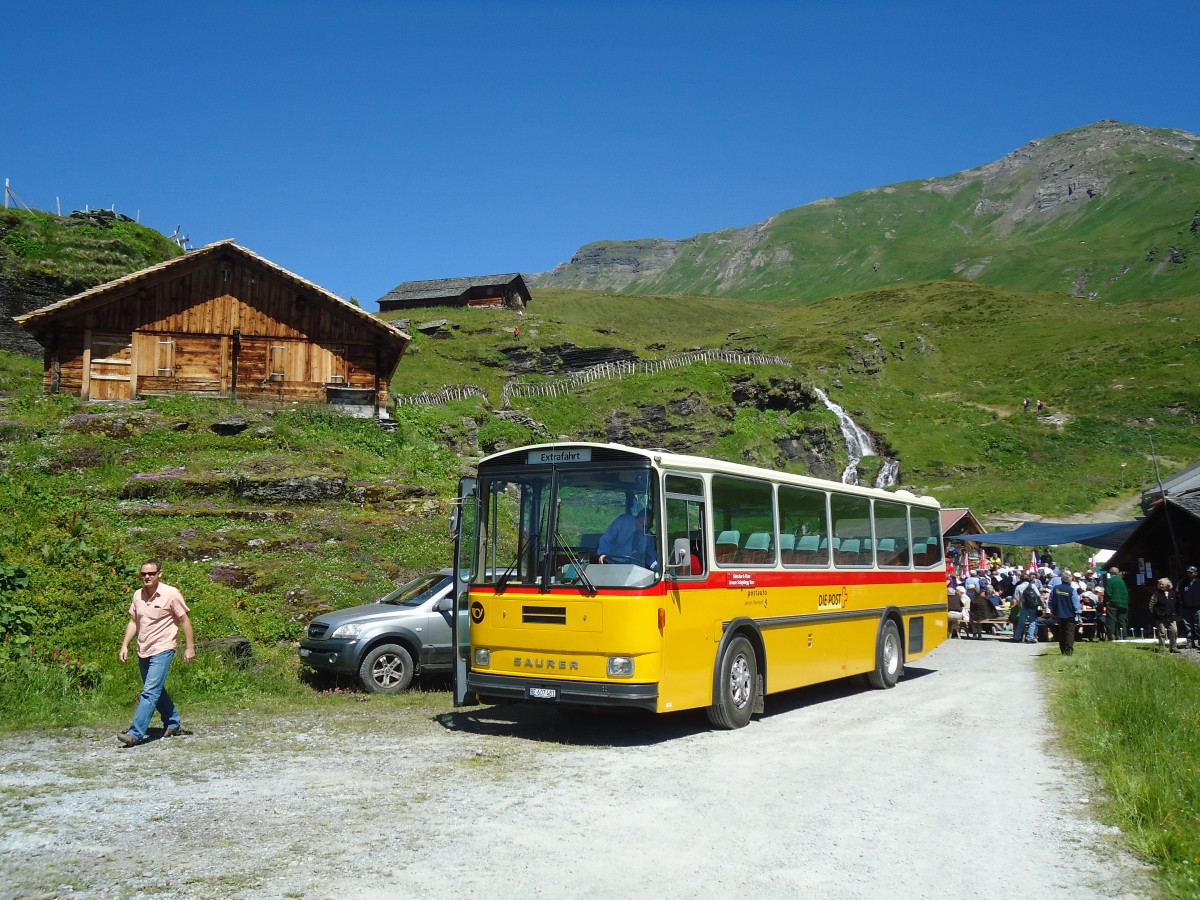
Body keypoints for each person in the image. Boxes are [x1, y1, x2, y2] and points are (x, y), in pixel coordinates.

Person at [117, 559, 195, 747]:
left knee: (150, 691)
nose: (147, 577)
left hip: (163, 648)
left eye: (151, 573)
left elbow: (185, 620)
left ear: (160, 574)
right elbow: (133, 621)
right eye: (143, 574)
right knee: (155, 689)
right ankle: (173, 723)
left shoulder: (171, 594)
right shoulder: (138, 595)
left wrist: (190, 647)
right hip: (143, 649)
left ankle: (135, 733)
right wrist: (125, 645)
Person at [1047, 575, 1081, 656]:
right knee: (1069, 632)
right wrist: (1078, 615)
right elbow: (1076, 604)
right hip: (1070, 615)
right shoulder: (1072, 590)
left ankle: (1062, 649)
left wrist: (1052, 610)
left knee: (1062, 631)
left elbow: (1050, 601)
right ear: (1070, 581)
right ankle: (1069, 650)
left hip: (1058, 614)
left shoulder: (1055, 588)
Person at [1149, 577, 1179, 653]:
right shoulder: (1156, 594)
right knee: (1161, 632)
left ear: (1168, 584)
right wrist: (1155, 613)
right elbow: (1151, 605)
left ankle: (1173, 647)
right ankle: (1162, 648)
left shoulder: (1173, 593)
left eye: (1163, 584)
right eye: (1160, 584)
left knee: (1174, 631)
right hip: (1159, 616)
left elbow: (1176, 604)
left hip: (1171, 616)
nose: (1161, 586)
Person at [1012, 572, 1041, 644]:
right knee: (1032, 621)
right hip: (1033, 605)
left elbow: (1017, 599)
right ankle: (1030, 638)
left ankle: (1017, 637)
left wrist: (1019, 607)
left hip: (1024, 605)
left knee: (1021, 622)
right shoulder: (1033, 585)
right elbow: (1038, 595)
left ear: (1021, 579)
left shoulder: (1018, 587)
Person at [1104, 566, 1129, 640]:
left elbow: (1108, 592)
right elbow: (1126, 593)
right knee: (1122, 620)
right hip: (1123, 603)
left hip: (1113, 603)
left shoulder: (1110, 581)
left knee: (1111, 619)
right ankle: (1124, 635)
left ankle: (1111, 635)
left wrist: (1108, 601)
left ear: (1111, 573)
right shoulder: (1122, 581)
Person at [1180, 565, 1200, 650]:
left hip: (1198, 607)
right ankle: (1190, 642)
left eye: (1191, 572)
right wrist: (1181, 603)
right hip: (1186, 607)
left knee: (1198, 625)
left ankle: (1199, 641)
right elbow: (1179, 593)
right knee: (1188, 626)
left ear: (1195, 573)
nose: (1189, 574)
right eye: (1188, 572)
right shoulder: (1183, 582)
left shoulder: (1198, 583)